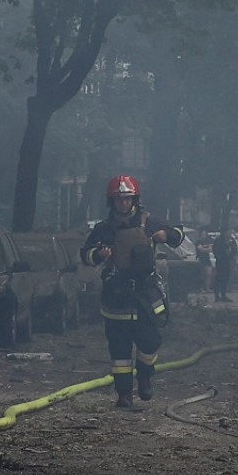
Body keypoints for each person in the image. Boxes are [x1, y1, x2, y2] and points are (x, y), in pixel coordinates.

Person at [80, 175, 185, 409]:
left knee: (150, 341)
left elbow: (178, 234)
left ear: (134, 199)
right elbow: (85, 254)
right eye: (119, 199)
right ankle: (124, 394)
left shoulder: (148, 222)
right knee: (119, 351)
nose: (123, 203)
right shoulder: (103, 229)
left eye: (127, 199)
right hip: (117, 297)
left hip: (146, 295)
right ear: (112, 202)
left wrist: (166, 236)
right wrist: (99, 254)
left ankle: (145, 375)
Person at [212, 230, 237, 302]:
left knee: (226, 277)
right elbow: (216, 250)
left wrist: (231, 254)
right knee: (219, 278)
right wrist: (220, 256)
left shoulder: (231, 240)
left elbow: (234, 250)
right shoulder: (219, 240)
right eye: (229, 232)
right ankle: (217, 295)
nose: (230, 234)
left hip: (227, 261)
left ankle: (223, 294)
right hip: (221, 261)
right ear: (224, 232)